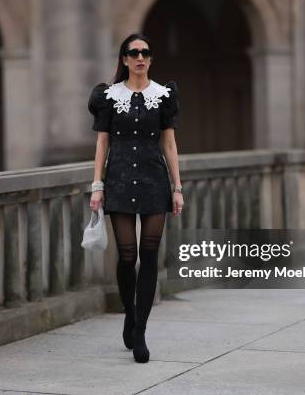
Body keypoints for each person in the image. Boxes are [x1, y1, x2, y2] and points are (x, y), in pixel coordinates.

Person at [87, 32, 184, 363]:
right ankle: (130, 311)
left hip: (154, 182)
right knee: (127, 256)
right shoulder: (108, 97)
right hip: (119, 182)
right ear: (124, 59)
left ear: (150, 58)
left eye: (145, 52)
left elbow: (169, 144)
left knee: (150, 255)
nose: (140, 57)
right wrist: (97, 185)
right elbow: (102, 143)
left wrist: (177, 187)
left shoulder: (164, 96)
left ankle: (140, 330)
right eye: (134, 52)